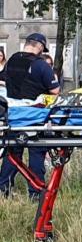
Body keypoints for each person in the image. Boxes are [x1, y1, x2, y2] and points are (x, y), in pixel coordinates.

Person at [0, 33, 60, 198]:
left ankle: (3, 189)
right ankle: (36, 193)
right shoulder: (41, 65)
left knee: (12, 154)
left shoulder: (11, 60)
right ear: (40, 46)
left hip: (13, 117)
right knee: (36, 154)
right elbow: (55, 91)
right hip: (34, 118)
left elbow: (3, 80)